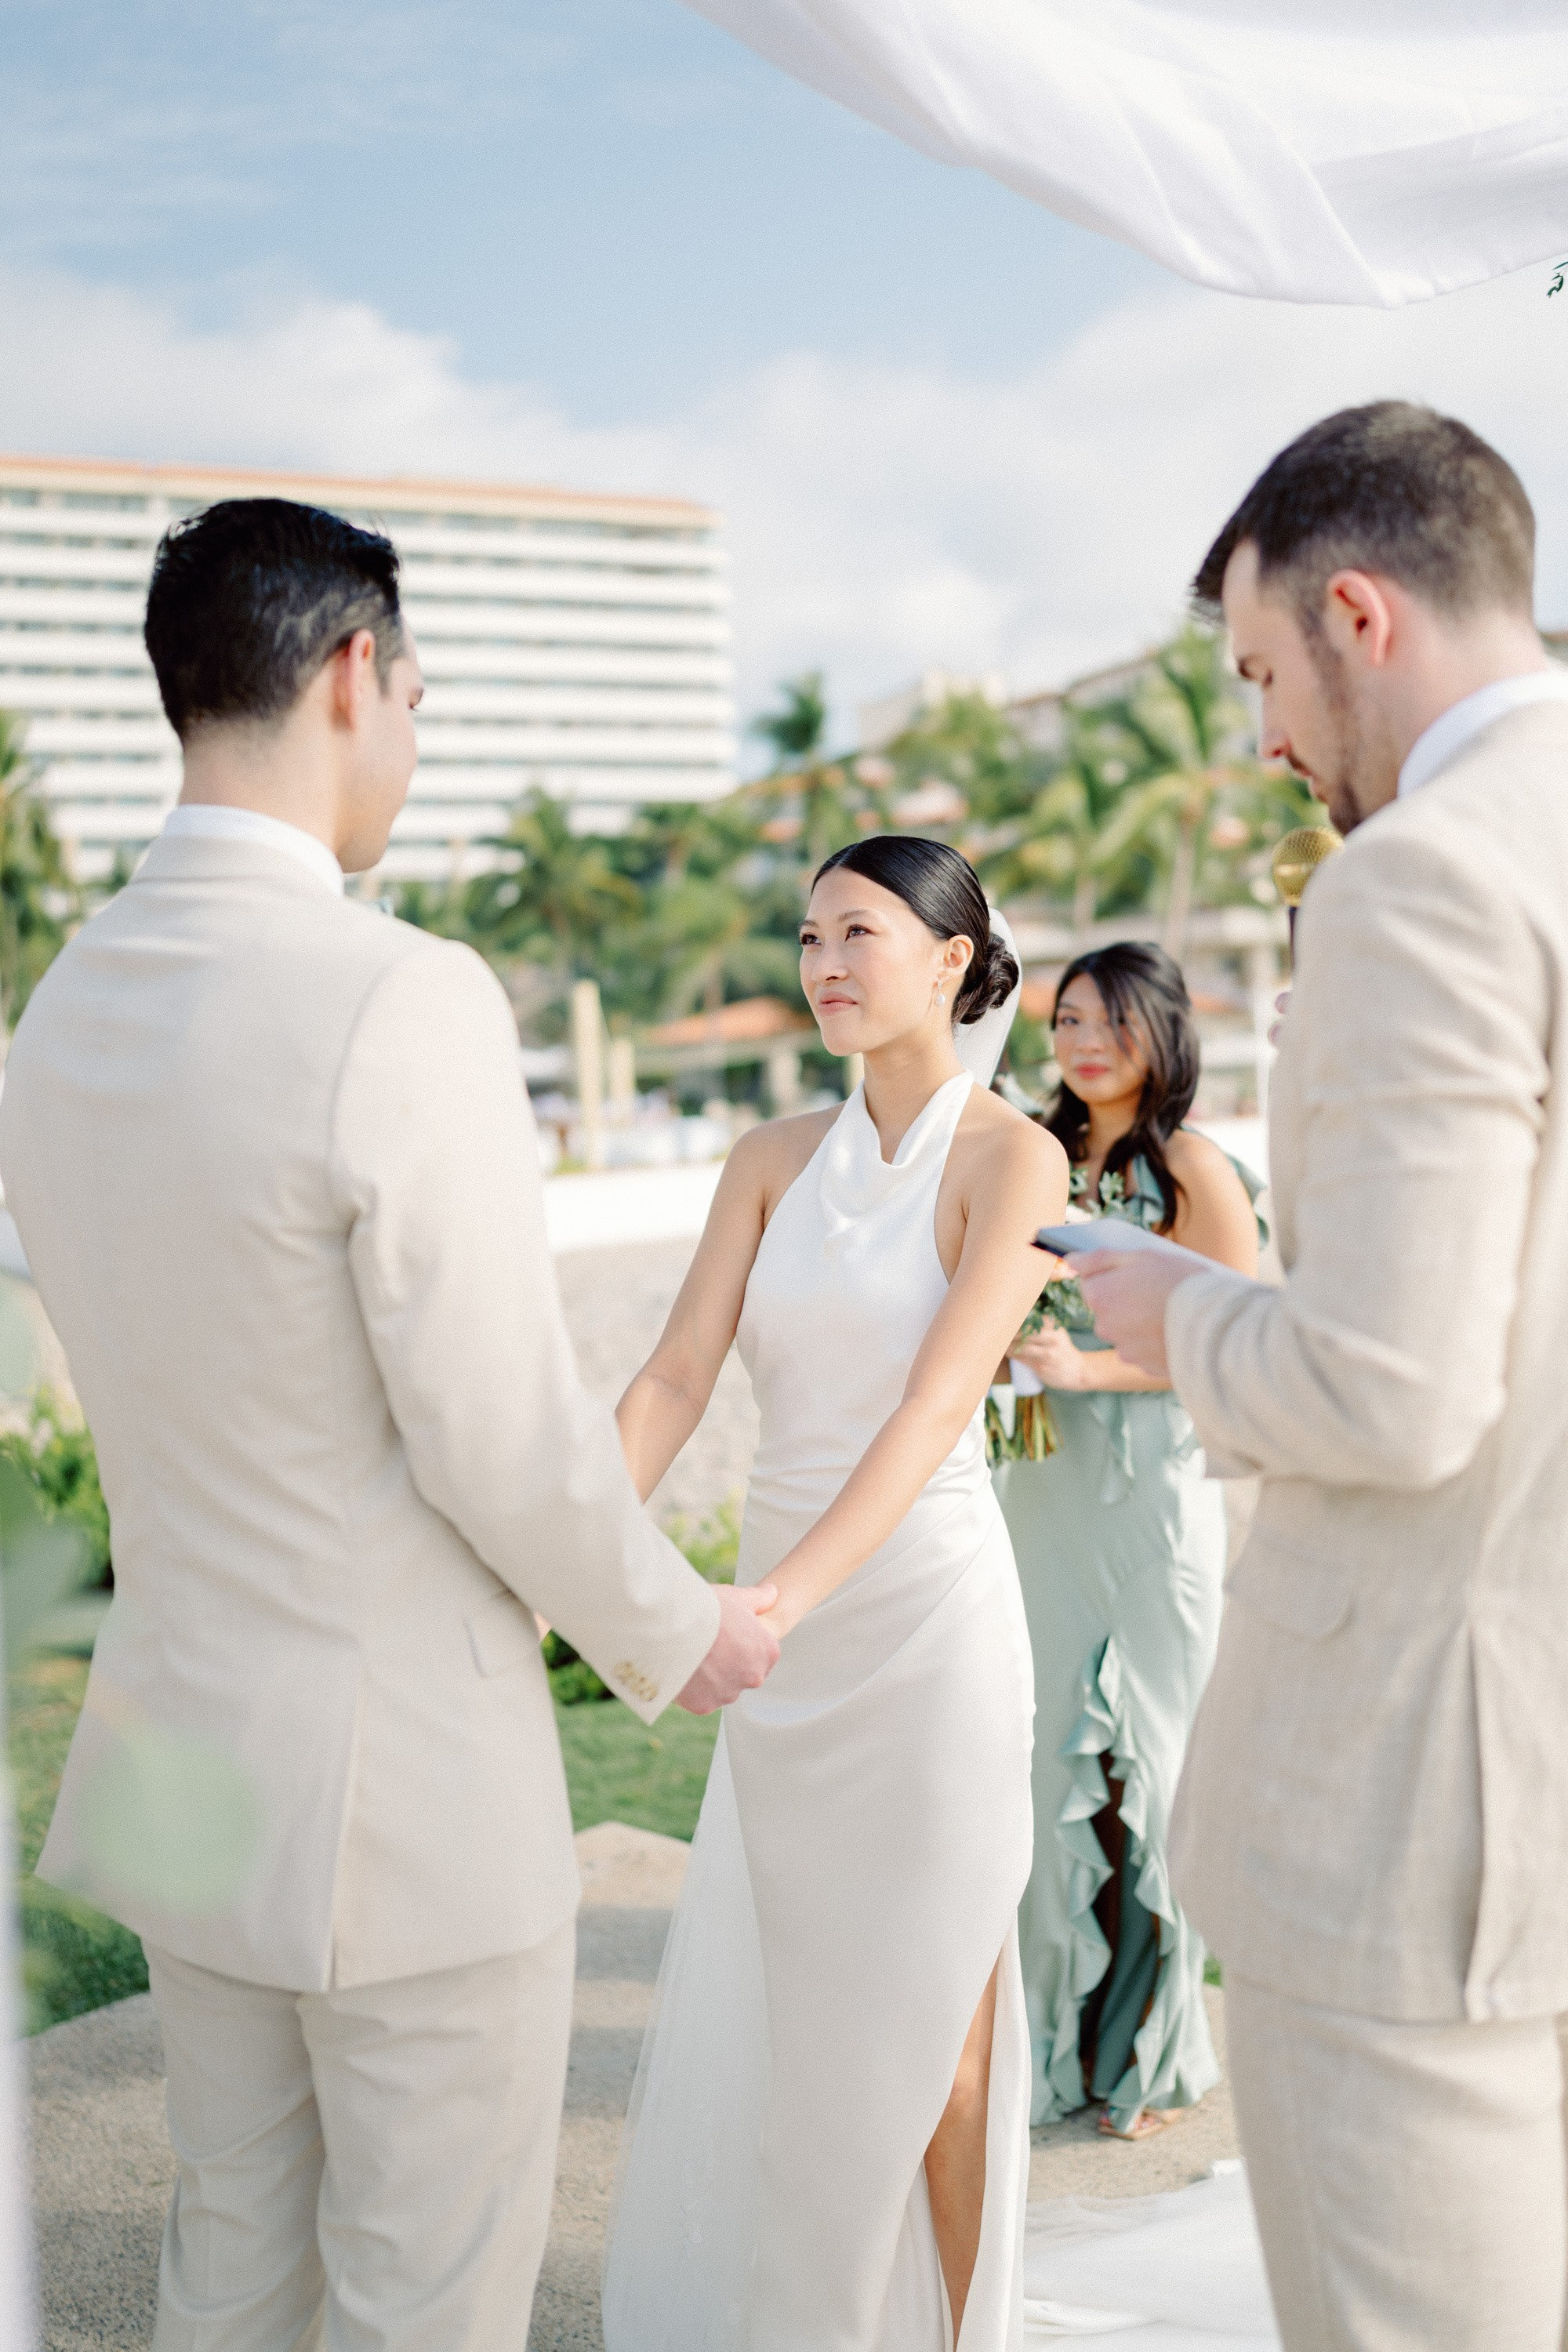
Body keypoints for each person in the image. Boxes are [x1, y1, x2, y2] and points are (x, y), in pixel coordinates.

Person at [0, 497, 780, 2350]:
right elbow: (497, 1435)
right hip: (399, 1796)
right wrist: (680, 1626)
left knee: (227, 2262)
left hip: (184, 1762)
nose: (413, 743)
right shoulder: (396, 993)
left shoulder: (61, 1005)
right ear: (355, 672)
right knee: (422, 2296)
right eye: (417, 700)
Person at [1076, 401, 1568, 2350]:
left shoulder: (1422, 877)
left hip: (1423, 1829)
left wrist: (1172, 1312)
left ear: (1359, 614)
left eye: (1261, 674)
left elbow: (1386, 1392)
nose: (1267, 739)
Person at [601, 835, 1069, 2350]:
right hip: (784, 1662)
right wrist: (566, 1553)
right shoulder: (768, 1160)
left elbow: (933, 1411)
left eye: (860, 932)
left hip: (922, 1632)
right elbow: (676, 1376)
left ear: (953, 958)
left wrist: (775, 1605)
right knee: (816, 2042)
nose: (825, 965)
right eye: (809, 937)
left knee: (944, 2055)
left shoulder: (1016, 1160)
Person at [994, 942, 1258, 2141]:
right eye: (1065, 1022)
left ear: (1160, 1027)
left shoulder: (1195, 1166)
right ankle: (1062, 2046)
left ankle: (1152, 2056)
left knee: (1154, 1759)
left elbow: (1237, 1338)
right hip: (1044, 1491)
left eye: (1108, 1020)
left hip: (1153, 1495)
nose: (1083, 1043)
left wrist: (1086, 1369)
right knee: (1057, 1764)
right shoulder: (1035, 1158)